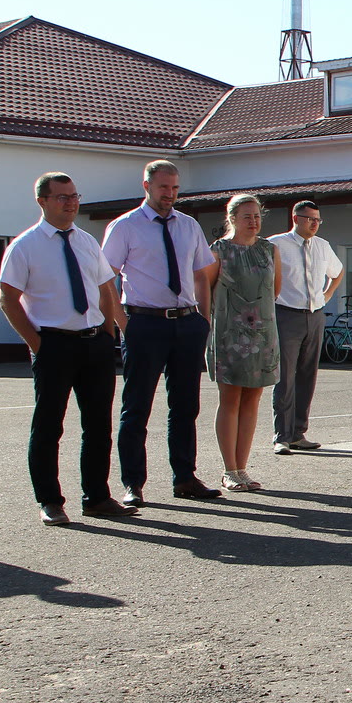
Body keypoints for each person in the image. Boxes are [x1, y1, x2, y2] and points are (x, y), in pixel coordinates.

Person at [0, 173, 137, 526]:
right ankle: (50, 501)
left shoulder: (87, 241)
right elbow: (8, 298)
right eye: (61, 197)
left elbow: (106, 287)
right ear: (42, 201)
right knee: (48, 427)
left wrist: (108, 334)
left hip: (95, 344)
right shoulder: (25, 245)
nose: (70, 202)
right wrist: (38, 344)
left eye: (74, 195)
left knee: (98, 425)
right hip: (54, 344)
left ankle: (97, 497)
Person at [102, 159, 221, 505]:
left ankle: (184, 477)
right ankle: (133, 484)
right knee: (136, 407)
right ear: (146, 187)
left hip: (186, 324)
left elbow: (202, 273)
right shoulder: (125, 227)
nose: (169, 194)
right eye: (163, 188)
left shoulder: (188, 226)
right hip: (144, 322)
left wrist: (204, 318)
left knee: (185, 407)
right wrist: (123, 323)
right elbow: (105, 276)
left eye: (174, 188)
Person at [206, 195, 282, 491]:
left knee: (253, 399)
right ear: (232, 218)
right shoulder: (219, 250)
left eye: (257, 216)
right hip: (230, 334)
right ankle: (229, 470)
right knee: (231, 399)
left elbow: (274, 290)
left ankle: (243, 468)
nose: (253, 221)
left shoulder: (269, 250)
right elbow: (207, 288)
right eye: (247, 216)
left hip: (263, 333)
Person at [269, 200, 344, 456]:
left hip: (314, 315)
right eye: (309, 219)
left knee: (307, 375)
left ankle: (299, 432)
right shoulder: (276, 244)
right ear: (295, 218)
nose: (314, 224)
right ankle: (282, 435)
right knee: (285, 377)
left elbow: (338, 272)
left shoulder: (322, 246)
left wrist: (326, 296)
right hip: (286, 314)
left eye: (317, 220)